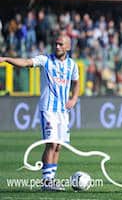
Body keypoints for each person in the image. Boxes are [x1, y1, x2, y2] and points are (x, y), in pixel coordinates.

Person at [0, 33, 80, 191]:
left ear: (68, 47)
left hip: (63, 112)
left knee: (59, 146)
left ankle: (51, 179)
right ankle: (46, 181)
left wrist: (74, 98)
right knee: (52, 143)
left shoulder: (72, 65)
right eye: (56, 44)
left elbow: (76, 83)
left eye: (60, 44)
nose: (57, 47)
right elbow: (25, 63)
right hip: (48, 110)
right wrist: (6, 59)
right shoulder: (45, 60)